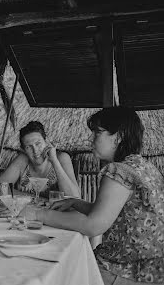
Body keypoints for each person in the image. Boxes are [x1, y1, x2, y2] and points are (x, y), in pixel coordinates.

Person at [36, 107, 164, 284]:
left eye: (97, 133)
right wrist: (75, 202)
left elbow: (93, 225)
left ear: (118, 137)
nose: (91, 138)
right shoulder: (144, 166)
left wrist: (37, 215)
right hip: (153, 267)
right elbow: (113, 213)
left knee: (61, 269)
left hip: (126, 270)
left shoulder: (119, 171)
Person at [0, 121, 80, 198]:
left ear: (46, 141)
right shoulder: (22, 160)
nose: (35, 151)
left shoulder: (61, 158)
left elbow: (75, 197)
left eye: (38, 143)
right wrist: (33, 198)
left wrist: (54, 161)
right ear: (23, 149)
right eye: (29, 147)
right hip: (28, 214)